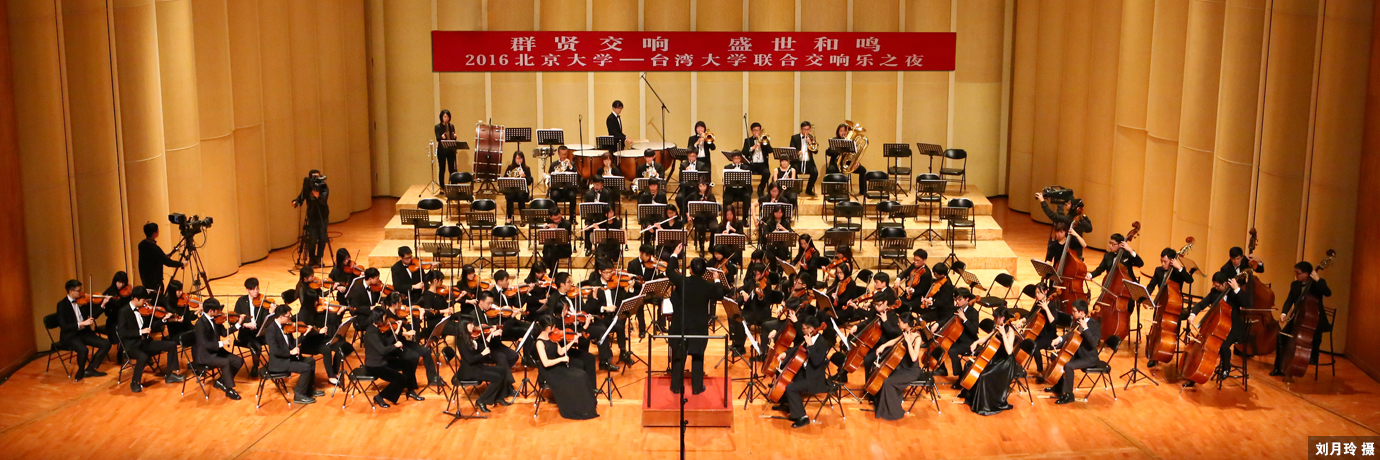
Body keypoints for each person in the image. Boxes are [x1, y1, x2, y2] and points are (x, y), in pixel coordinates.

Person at [667, 259, 726, 394]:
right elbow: (720, 294)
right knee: (698, 356)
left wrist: (675, 255)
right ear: (705, 272)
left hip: (681, 325)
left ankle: (676, 386)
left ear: (690, 270)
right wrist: (717, 280)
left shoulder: (682, 281)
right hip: (698, 327)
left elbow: (669, 271)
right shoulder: (708, 286)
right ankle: (697, 387)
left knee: (678, 357)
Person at [1182, 271, 1251, 388]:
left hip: (1233, 328)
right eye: (1214, 285)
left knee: (1223, 345)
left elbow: (1247, 304)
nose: (1216, 288)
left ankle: (1226, 367)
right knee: (1204, 345)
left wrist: (1237, 289)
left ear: (1225, 284)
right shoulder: (1214, 292)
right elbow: (1201, 304)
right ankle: (1195, 375)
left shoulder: (1234, 293)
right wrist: (1193, 314)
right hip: (1216, 326)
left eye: (1218, 286)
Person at [362, 295, 425, 408]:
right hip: (375, 366)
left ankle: (410, 390)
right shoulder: (371, 333)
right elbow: (383, 350)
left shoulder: (377, 329)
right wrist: (395, 346)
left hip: (383, 361)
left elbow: (386, 342)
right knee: (400, 378)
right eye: (384, 318)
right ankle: (380, 396)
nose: (386, 320)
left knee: (408, 363)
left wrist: (396, 332)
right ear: (378, 319)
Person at [118, 287, 185, 392]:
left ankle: (170, 375)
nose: (145, 302)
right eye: (143, 299)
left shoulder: (142, 310)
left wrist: (163, 320)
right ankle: (135, 382)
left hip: (145, 342)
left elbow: (151, 327)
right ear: (135, 299)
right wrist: (140, 332)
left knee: (171, 345)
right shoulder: (123, 312)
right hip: (132, 346)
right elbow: (122, 332)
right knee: (143, 357)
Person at [1272, 261, 1333, 376]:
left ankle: (1312, 357)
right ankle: (1278, 367)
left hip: (1314, 320)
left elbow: (1328, 293)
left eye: (1298, 273)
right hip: (1297, 318)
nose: (1296, 275)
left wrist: (1318, 280)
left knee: (1314, 337)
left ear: (1306, 274)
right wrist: (1284, 313)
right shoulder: (1295, 285)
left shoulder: (1316, 283)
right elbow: (1289, 300)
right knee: (1281, 336)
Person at [534, 315, 599, 420]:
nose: (555, 328)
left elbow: (561, 351)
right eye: (553, 326)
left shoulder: (552, 337)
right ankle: (578, 408)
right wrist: (561, 359)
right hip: (549, 372)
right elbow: (545, 363)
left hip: (556, 367)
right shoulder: (539, 342)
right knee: (577, 377)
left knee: (582, 374)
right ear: (548, 328)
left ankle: (587, 405)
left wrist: (573, 341)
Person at [770, 317, 831, 428]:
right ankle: (787, 404)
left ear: (811, 329)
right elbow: (797, 348)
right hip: (804, 372)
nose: (802, 330)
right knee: (784, 374)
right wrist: (786, 353)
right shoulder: (808, 337)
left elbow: (816, 362)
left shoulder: (822, 343)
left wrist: (810, 346)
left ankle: (802, 417)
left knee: (791, 388)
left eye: (803, 328)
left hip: (814, 378)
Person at [959, 309, 1020, 415]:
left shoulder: (1010, 332)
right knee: (969, 365)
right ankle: (972, 397)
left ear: (1002, 318)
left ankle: (984, 404)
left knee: (983, 375)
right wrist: (976, 342)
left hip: (1005, 363)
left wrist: (1003, 335)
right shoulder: (998, 327)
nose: (994, 319)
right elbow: (986, 338)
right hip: (995, 358)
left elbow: (1009, 351)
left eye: (996, 318)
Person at [452, 318, 517, 412]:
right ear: (464, 326)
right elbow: (470, 360)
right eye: (470, 324)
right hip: (469, 370)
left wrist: (490, 336)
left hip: (477, 366)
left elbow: (482, 348)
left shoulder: (469, 337)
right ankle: (481, 401)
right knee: (497, 377)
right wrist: (482, 354)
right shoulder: (461, 341)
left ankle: (499, 397)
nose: (473, 326)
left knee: (503, 370)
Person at [873, 314, 927, 420]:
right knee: (884, 377)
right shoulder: (906, 333)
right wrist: (883, 346)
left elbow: (914, 357)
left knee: (888, 382)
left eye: (900, 322)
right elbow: (894, 341)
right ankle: (883, 408)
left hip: (911, 371)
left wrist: (908, 342)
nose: (898, 323)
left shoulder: (917, 338)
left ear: (906, 324)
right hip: (902, 368)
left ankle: (894, 412)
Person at [55, 279, 112, 381]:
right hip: (70, 335)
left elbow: (94, 315)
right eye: (78, 290)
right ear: (71, 291)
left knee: (106, 343)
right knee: (83, 349)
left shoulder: (82, 302)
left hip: (84, 333)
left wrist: (103, 304)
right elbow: (64, 327)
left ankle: (90, 369)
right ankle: (81, 371)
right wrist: (81, 323)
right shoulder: (62, 305)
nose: (81, 293)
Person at [1046, 300, 1100, 404]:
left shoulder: (1094, 325)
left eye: (1074, 311)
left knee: (1069, 365)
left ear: (1082, 312)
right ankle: (1060, 385)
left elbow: (1093, 343)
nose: (1072, 313)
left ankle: (1069, 395)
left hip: (1088, 357)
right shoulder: (1078, 321)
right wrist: (1059, 339)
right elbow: (1071, 334)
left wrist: (1086, 328)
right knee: (1055, 357)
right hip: (1077, 353)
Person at [266, 304, 322, 404]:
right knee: (306, 368)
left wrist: (305, 334)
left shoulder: (286, 327)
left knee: (310, 361)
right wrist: (290, 352)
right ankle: (299, 394)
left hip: (288, 358)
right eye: (288, 317)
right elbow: (275, 350)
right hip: (279, 362)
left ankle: (308, 389)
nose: (290, 319)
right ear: (281, 317)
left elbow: (293, 343)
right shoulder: (271, 330)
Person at [191, 298, 244, 399]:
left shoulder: (216, 320)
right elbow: (205, 344)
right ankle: (229, 389)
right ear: (211, 311)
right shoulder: (200, 324)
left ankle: (221, 381)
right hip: (206, 355)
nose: (220, 312)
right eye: (217, 310)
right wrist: (222, 343)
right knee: (225, 362)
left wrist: (238, 324)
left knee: (238, 361)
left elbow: (224, 333)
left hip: (217, 351)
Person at [234, 278, 274, 377]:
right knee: (257, 347)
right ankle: (255, 367)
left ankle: (272, 365)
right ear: (247, 290)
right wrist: (245, 324)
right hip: (245, 334)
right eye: (253, 289)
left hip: (259, 332)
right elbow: (234, 319)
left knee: (273, 340)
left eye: (257, 288)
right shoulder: (241, 301)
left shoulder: (262, 301)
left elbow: (265, 319)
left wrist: (272, 312)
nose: (256, 291)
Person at [292, 170, 330, 267]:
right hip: (312, 216)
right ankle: (312, 258)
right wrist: (296, 202)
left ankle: (319, 258)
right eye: (314, 177)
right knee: (312, 239)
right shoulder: (307, 187)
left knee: (322, 238)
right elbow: (301, 196)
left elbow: (323, 201)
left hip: (322, 216)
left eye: (318, 177)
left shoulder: (323, 187)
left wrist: (318, 196)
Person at [945, 288, 981, 384]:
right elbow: (946, 319)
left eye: (959, 299)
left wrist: (964, 319)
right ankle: (942, 369)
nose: (957, 301)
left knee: (952, 351)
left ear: (967, 299)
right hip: (957, 339)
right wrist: (937, 324)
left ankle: (960, 376)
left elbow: (974, 331)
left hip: (969, 342)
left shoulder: (973, 313)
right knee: (942, 346)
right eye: (956, 299)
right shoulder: (956, 309)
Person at [137, 222, 184, 293]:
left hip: (145, 278)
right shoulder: (154, 248)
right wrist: (181, 264)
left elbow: (156, 258)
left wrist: (168, 255)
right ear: (154, 233)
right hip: (155, 281)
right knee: (158, 297)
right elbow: (168, 262)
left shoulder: (142, 245)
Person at [824, 123, 868, 195]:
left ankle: (863, 191)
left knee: (863, 170)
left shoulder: (852, 141)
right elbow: (828, 152)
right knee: (830, 170)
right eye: (841, 131)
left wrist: (856, 162)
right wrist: (840, 152)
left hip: (847, 163)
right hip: (835, 163)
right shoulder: (835, 140)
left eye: (844, 131)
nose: (843, 132)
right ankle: (831, 191)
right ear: (838, 132)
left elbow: (855, 154)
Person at [742, 122, 774, 196]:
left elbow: (770, 150)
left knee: (767, 173)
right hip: (751, 163)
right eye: (755, 130)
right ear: (752, 131)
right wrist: (753, 148)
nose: (756, 132)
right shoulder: (748, 140)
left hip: (762, 164)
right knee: (745, 172)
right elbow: (744, 152)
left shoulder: (764, 140)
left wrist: (763, 144)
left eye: (758, 130)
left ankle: (761, 188)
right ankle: (749, 189)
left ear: (760, 131)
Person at [788, 121, 819, 196]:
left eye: (808, 129)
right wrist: (798, 152)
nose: (806, 131)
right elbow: (791, 150)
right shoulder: (795, 138)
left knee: (815, 172)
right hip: (797, 161)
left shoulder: (812, 138)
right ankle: (797, 189)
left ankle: (809, 190)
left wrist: (810, 143)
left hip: (808, 161)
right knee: (793, 171)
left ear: (810, 130)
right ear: (801, 129)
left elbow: (816, 151)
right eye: (804, 129)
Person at [502, 151, 534, 222]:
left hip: (522, 191)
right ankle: (509, 217)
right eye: (517, 158)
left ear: (523, 159)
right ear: (514, 159)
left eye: (520, 158)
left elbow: (529, 182)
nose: (519, 160)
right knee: (509, 196)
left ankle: (522, 217)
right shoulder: (510, 167)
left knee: (520, 196)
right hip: (512, 190)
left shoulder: (526, 168)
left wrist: (524, 176)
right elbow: (505, 179)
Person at [435, 109, 458, 186]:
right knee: (442, 169)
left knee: (452, 169)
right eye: (444, 116)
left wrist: (455, 136)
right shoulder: (437, 127)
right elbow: (438, 138)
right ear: (441, 117)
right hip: (442, 151)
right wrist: (442, 137)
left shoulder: (451, 126)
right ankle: (442, 187)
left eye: (447, 117)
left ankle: (453, 186)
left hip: (450, 150)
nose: (446, 118)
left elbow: (452, 138)